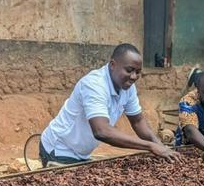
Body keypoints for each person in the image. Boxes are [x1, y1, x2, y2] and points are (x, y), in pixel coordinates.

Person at [40, 43, 181, 167]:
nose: (133, 77)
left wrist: (159, 145)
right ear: (113, 65)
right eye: (129, 70)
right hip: (59, 149)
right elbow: (102, 131)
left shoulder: (128, 87)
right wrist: (150, 146)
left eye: (138, 72)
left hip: (80, 153)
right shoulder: (94, 85)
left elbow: (137, 121)